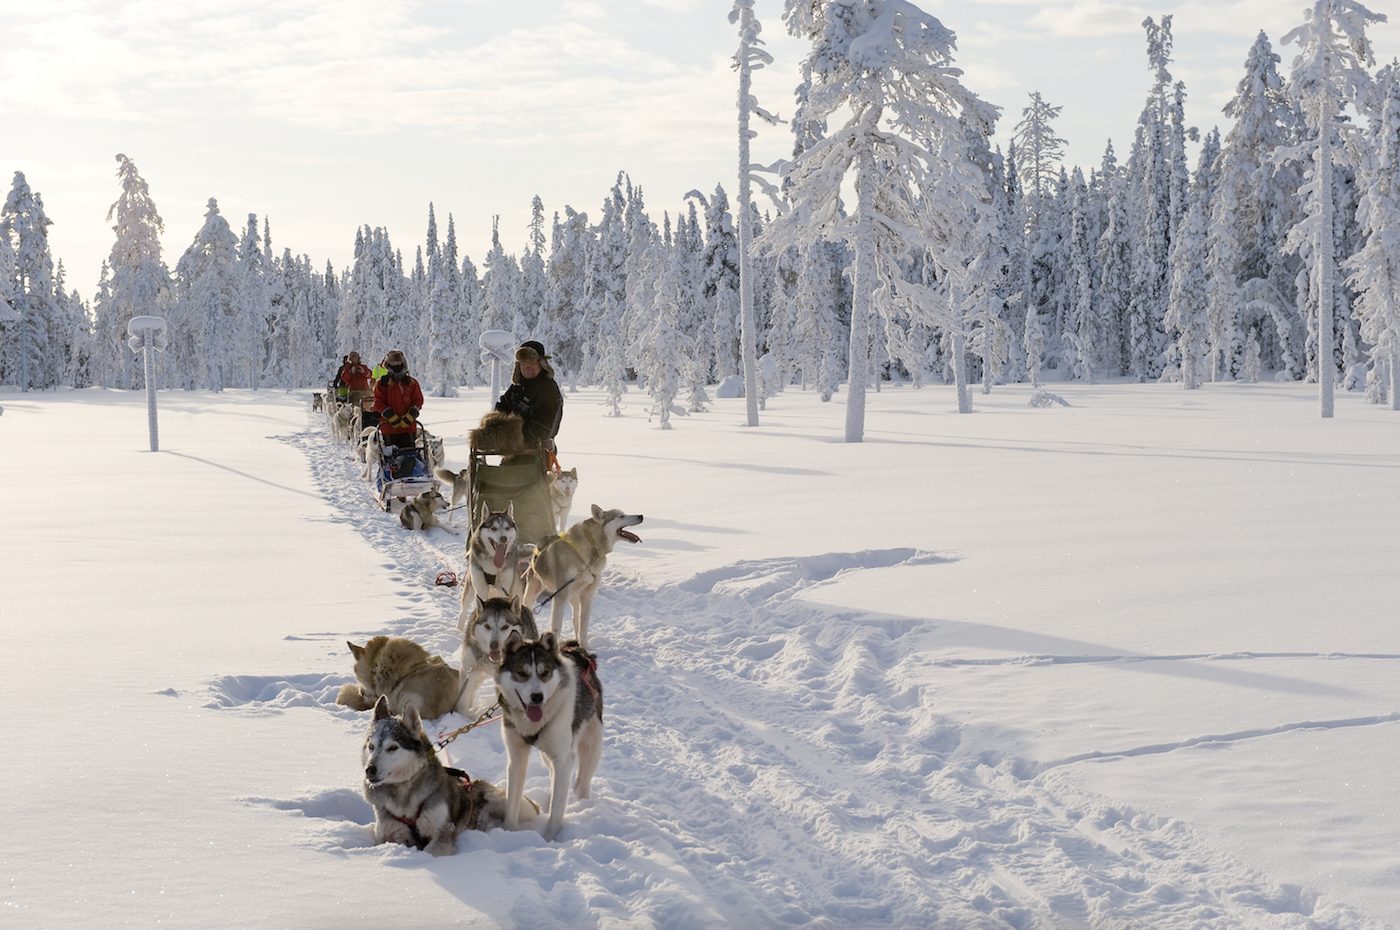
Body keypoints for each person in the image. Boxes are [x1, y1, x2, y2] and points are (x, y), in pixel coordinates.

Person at [495, 340, 563, 455]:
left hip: (537, 451)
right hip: (513, 448)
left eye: (531, 362)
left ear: (542, 364)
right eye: (522, 363)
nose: (526, 366)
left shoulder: (548, 389)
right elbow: (502, 408)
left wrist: (513, 436)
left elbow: (544, 427)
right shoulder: (516, 387)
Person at [373, 349, 424, 453]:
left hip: (408, 427)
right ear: (388, 364)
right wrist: (389, 414)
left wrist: (411, 414)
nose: (396, 364)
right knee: (391, 459)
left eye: (398, 362)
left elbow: (418, 400)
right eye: (393, 362)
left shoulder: (411, 382)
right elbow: (377, 402)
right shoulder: (382, 384)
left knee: (409, 456)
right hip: (388, 427)